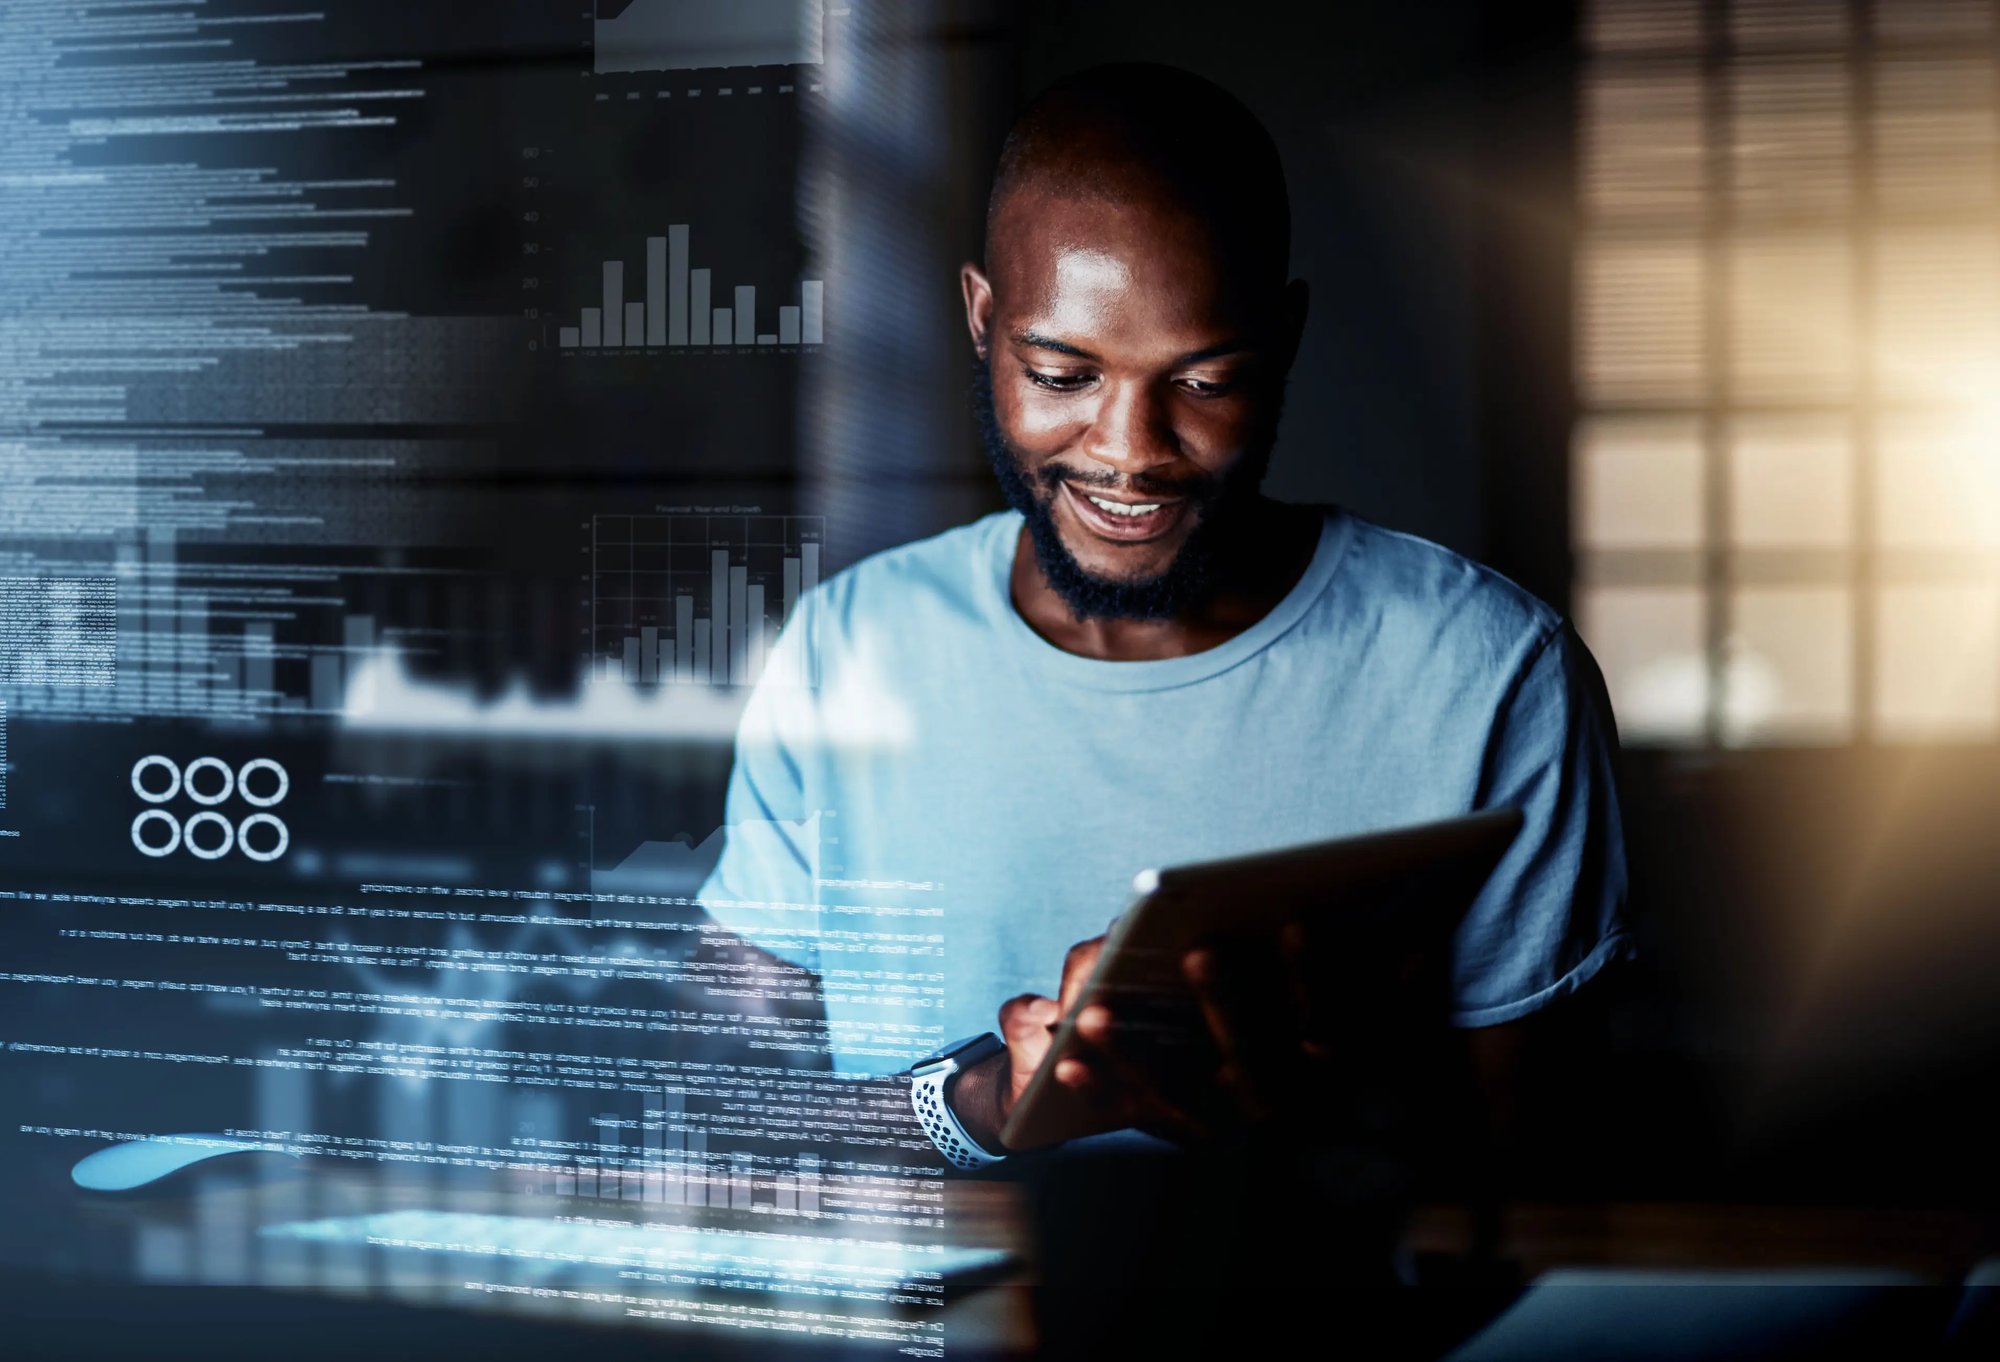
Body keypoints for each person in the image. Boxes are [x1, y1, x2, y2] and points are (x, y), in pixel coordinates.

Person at [696, 62, 1628, 1177]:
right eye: (1059, 372)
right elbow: (725, 1102)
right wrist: (983, 1101)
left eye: (1203, 381)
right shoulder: (847, 644)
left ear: (1280, 343)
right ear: (981, 320)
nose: (1128, 449)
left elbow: (1536, 1162)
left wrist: (1283, 1094)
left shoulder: (1488, 675)